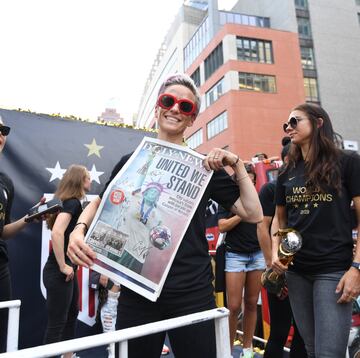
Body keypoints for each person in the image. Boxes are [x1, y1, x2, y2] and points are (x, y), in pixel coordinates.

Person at [67, 73, 263, 358]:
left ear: (192, 118)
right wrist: (78, 228)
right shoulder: (132, 161)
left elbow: (253, 213)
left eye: (185, 106)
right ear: (158, 107)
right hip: (138, 291)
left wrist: (236, 166)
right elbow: (99, 201)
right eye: (168, 101)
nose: (175, 109)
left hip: (192, 292)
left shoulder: (204, 166)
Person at [273, 103, 360, 357]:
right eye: (286, 124)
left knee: (328, 353)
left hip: (333, 271)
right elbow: (279, 220)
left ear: (318, 122)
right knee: (311, 350)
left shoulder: (348, 162)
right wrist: (278, 255)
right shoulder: (286, 171)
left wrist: (357, 268)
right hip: (297, 273)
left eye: (295, 121)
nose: (289, 127)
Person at [257, 140, 307, 358]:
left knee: (303, 333)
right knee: (279, 329)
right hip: (281, 265)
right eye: (291, 161)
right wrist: (274, 266)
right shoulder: (271, 188)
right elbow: (263, 226)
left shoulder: (309, 186)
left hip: (305, 267)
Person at [0, 116, 44, 353]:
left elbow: (3, 231)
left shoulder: (5, 182)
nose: (0, 134)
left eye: (3, 129)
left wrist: (28, 219)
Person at [43, 165, 91, 358]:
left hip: (66, 272)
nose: (90, 181)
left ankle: (68, 356)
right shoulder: (72, 203)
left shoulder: (68, 203)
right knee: (57, 324)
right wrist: (63, 266)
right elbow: (57, 232)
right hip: (58, 272)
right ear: (80, 180)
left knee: (71, 316)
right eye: (87, 177)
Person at [217, 164, 265, 358]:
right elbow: (222, 226)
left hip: (257, 255)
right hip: (235, 255)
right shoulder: (228, 197)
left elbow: (265, 224)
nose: (250, 182)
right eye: (246, 178)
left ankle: (247, 350)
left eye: (252, 179)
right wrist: (244, 212)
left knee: (252, 303)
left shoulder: (259, 198)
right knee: (234, 306)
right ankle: (227, 351)